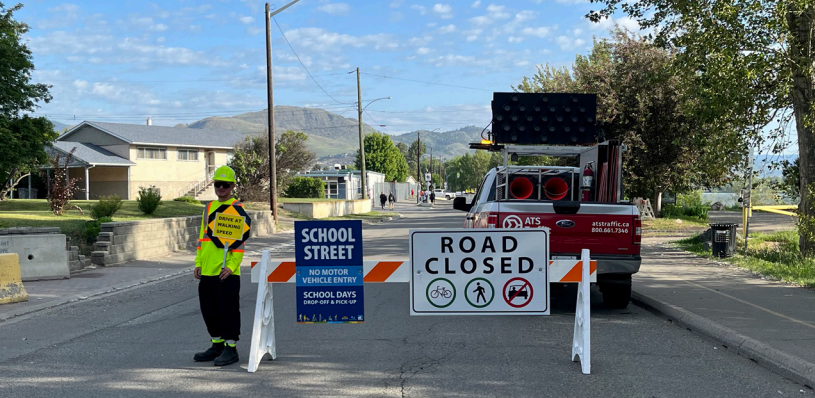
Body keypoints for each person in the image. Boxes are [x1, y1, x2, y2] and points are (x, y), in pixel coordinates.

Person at [193, 165, 246, 367]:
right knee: (209, 311)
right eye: (217, 184)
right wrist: (198, 263)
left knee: (229, 312)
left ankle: (230, 348)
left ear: (232, 186)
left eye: (225, 184)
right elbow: (201, 239)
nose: (220, 188)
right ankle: (217, 345)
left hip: (226, 272)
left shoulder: (237, 208)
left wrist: (231, 267)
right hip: (206, 269)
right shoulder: (208, 208)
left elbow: (239, 244)